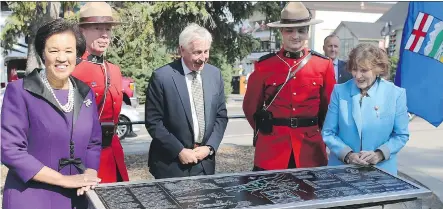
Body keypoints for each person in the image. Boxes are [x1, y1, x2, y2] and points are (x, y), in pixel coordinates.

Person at [1, 19, 102, 209]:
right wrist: (64, 180)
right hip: (31, 200)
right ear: (42, 53)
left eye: (69, 51)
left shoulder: (85, 92)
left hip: (77, 199)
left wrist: (90, 174)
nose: (62, 58)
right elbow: (11, 151)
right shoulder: (20, 92)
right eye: (54, 50)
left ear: (77, 54)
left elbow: (93, 142)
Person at [243, 2, 336, 171]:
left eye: (301, 30)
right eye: (290, 30)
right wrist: (267, 129)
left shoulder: (323, 65)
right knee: (267, 197)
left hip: (310, 150)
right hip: (272, 149)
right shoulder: (264, 65)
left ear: (307, 32)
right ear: (281, 32)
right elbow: (250, 107)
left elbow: (328, 109)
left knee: (310, 196)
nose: (296, 36)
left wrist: (316, 133)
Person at [145, 23, 228, 179]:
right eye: (197, 52)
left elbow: (221, 116)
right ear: (182, 50)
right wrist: (179, 150)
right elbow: (154, 122)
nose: (203, 58)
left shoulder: (214, 74)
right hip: (171, 164)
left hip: (205, 163)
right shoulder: (162, 77)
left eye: (206, 51)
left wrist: (209, 148)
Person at [321, 43, 410, 175]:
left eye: (364, 70)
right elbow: (328, 133)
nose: (357, 76)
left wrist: (380, 154)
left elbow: (401, 135)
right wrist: (348, 155)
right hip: (342, 171)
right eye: (354, 69)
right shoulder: (339, 91)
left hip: (382, 172)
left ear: (377, 69)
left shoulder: (396, 94)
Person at [72, 2, 129, 183]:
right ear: (82, 31)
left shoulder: (114, 70)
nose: (104, 35)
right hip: (85, 158)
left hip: (113, 153)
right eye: (97, 28)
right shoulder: (72, 70)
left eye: (108, 29)